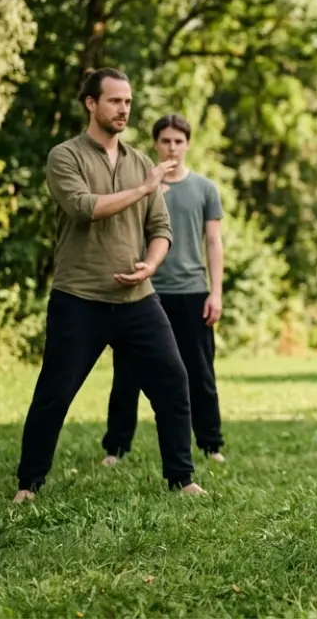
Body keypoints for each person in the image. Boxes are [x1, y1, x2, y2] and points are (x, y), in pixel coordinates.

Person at [13, 68, 204, 503]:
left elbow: (161, 228)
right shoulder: (65, 156)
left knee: (174, 384)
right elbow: (84, 208)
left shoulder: (139, 161)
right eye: (115, 101)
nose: (124, 109)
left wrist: (150, 266)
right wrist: (144, 187)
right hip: (80, 298)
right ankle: (29, 482)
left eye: (129, 102)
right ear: (91, 104)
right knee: (54, 394)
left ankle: (182, 476)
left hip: (137, 299)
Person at [101, 113, 227, 467]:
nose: (172, 147)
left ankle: (210, 443)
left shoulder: (204, 189)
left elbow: (214, 242)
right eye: (166, 141)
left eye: (178, 141)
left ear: (187, 144)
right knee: (127, 371)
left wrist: (215, 293)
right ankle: (116, 448)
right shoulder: (141, 186)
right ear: (155, 144)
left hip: (192, 293)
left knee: (200, 372)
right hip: (143, 292)